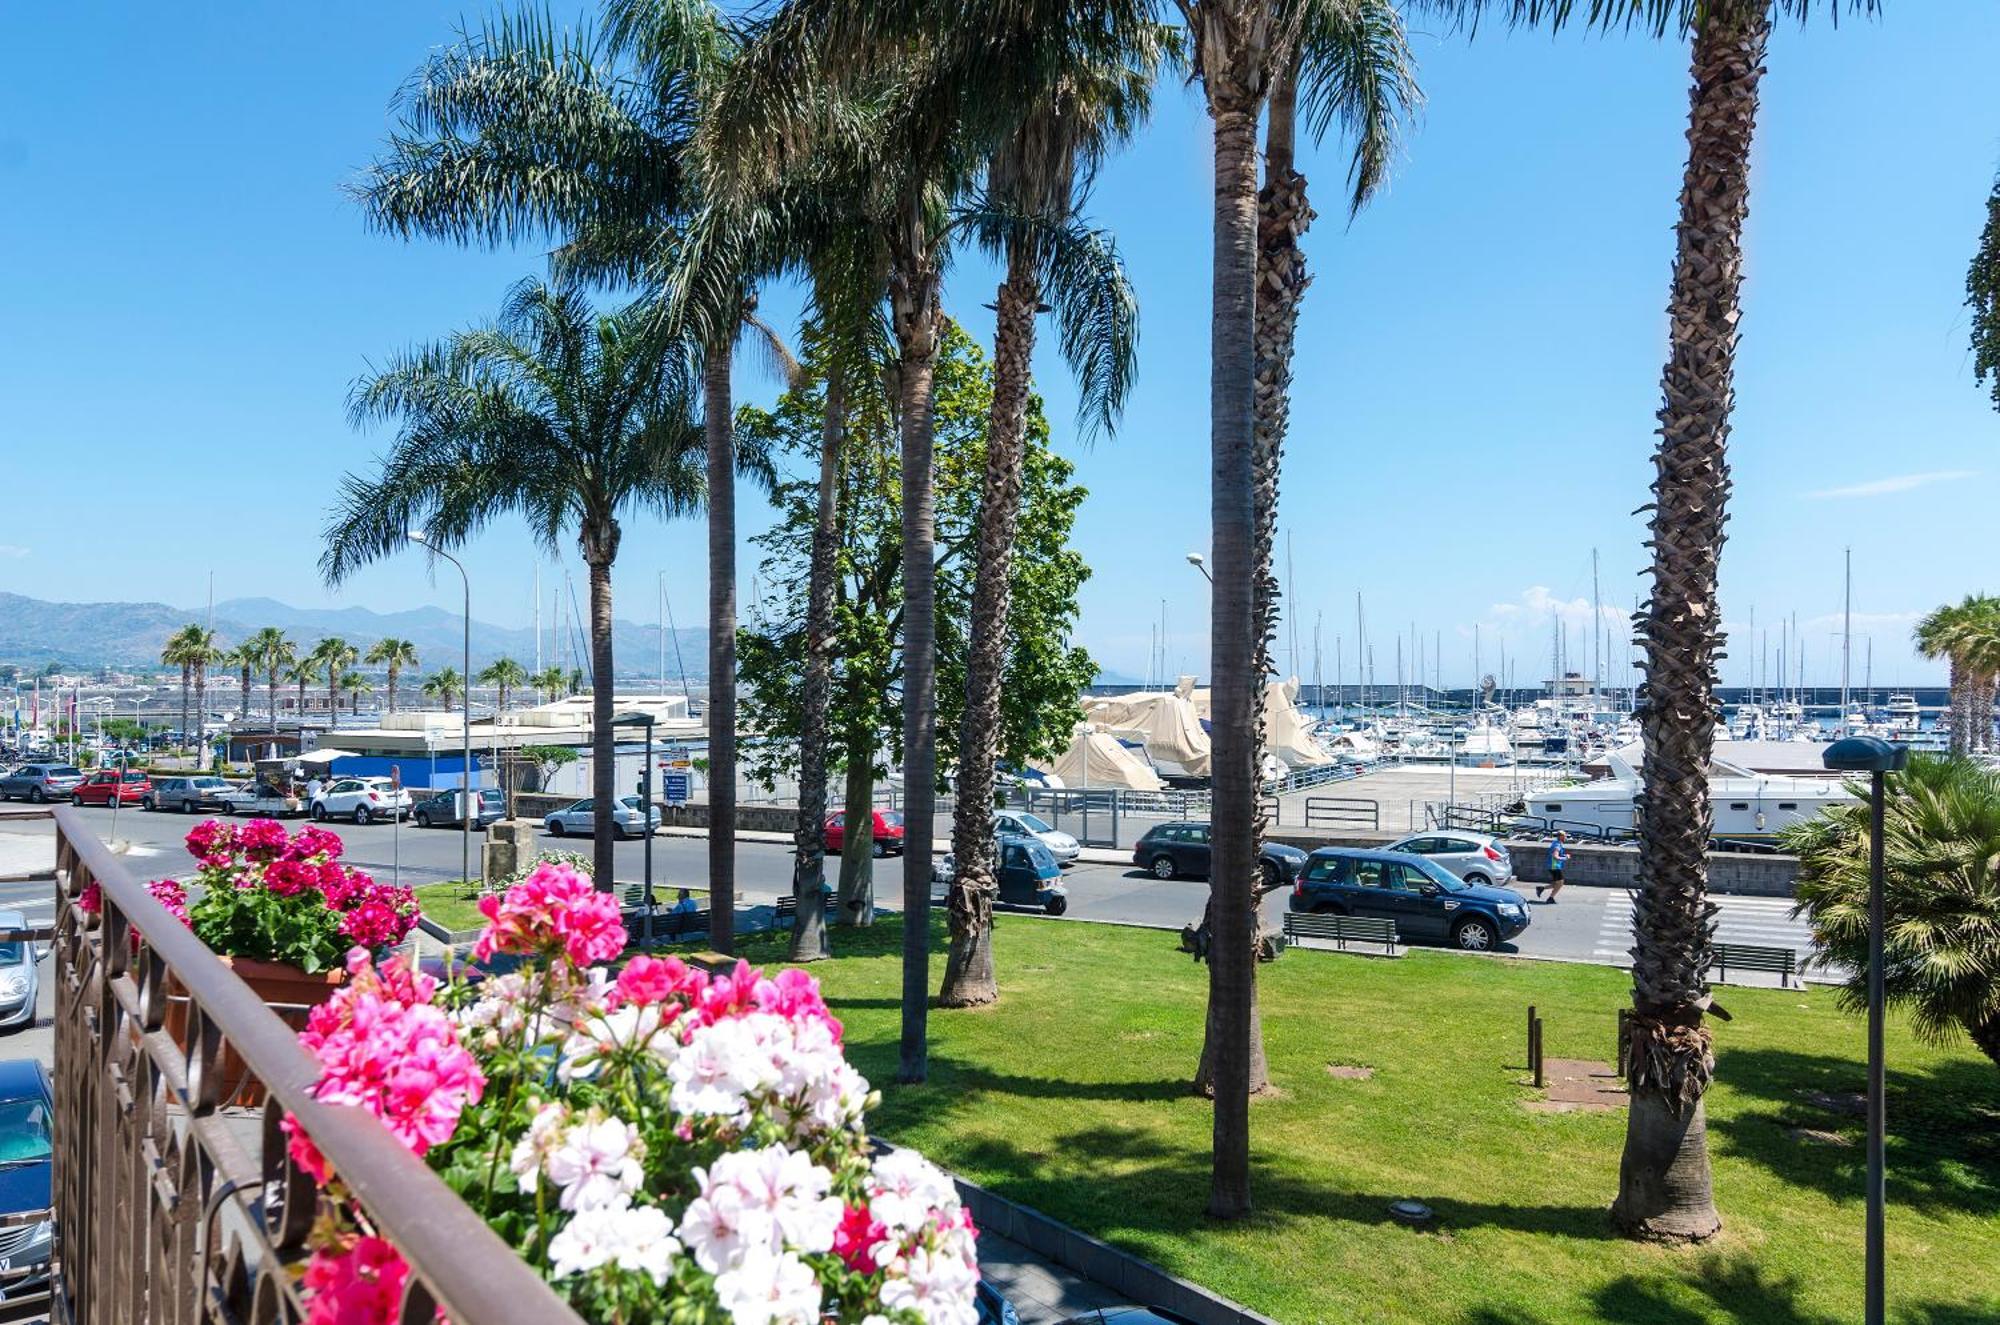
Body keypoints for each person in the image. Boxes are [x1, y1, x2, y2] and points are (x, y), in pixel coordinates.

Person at [1536, 831, 1569, 903]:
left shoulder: (1556, 843)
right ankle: (1550, 898)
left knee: (1556, 883)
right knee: (1560, 883)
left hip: (1553, 866)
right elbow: (1555, 856)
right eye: (1564, 836)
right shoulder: (1557, 845)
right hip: (1554, 866)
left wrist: (1564, 856)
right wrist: (1565, 858)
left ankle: (1541, 889)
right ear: (1560, 837)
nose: (1566, 838)